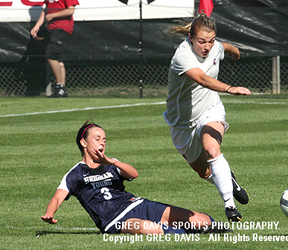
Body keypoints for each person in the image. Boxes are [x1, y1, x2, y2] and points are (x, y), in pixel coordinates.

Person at [41, 121, 231, 234]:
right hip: (114, 221)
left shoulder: (112, 163)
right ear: (84, 142)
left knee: (199, 220)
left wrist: (111, 162)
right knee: (149, 229)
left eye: (104, 140)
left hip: (138, 204)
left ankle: (214, 228)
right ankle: (191, 235)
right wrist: (50, 214)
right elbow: (58, 197)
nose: (102, 143)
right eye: (97, 139)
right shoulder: (75, 173)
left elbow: (133, 174)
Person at [163, 14, 252, 222]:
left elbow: (225, 47)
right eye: (202, 41)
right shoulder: (182, 56)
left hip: (210, 109)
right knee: (204, 172)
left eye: (211, 41)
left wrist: (235, 53)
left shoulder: (214, 47)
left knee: (212, 148)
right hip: (182, 124)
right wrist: (230, 88)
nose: (207, 46)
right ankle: (229, 180)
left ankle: (230, 206)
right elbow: (202, 79)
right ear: (191, 37)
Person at [30, 0, 79, 98]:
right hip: (51, 29)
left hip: (62, 28)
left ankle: (60, 86)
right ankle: (62, 90)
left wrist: (53, 15)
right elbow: (46, 11)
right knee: (57, 59)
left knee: (51, 55)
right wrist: (37, 26)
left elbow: (70, 11)